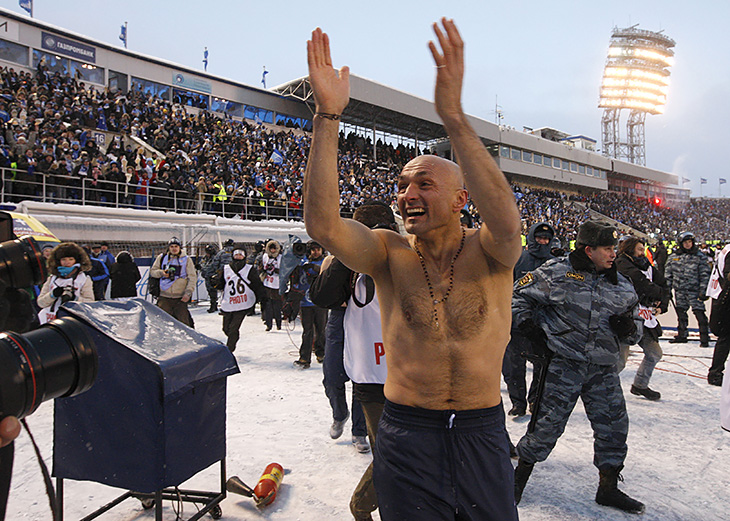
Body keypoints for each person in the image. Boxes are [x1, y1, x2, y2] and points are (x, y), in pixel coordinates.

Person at [304, 19, 521, 520]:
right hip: (406, 433)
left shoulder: (491, 251)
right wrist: (327, 115)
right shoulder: (387, 254)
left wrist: (454, 119)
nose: (407, 195)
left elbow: (508, 222)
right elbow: (322, 225)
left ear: (460, 199)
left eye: (424, 183)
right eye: (402, 184)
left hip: (479, 431)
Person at [512, 221, 644, 513]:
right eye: (607, 248)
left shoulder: (621, 284)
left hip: (603, 370)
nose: (613, 254)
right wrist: (527, 324)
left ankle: (608, 488)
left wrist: (627, 329)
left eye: (613, 248)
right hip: (563, 365)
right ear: (589, 250)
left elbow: (637, 330)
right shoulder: (556, 272)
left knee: (614, 427)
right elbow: (517, 295)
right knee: (545, 427)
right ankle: (516, 481)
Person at [503, 222, 556, 417]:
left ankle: (536, 400)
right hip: (518, 322)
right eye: (540, 238)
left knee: (542, 367)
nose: (543, 242)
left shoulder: (555, 263)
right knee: (514, 365)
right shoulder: (518, 260)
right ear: (532, 238)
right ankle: (518, 402)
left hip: (544, 324)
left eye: (546, 239)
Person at [615, 237, 670, 400]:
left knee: (654, 353)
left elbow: (664, 285)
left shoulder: (648, 266)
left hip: (645, 318)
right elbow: (640, 282)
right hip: (627, 318)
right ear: (630, 249)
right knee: (620, 361)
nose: (642, 252)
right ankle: (597, 386)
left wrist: (662, 304)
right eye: (639, 249)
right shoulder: (621, 263)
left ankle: (640, 385)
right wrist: (657, 293)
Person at [665, 231, 712, 346]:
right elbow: (668, 274)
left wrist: (703, 291)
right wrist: (667, 290)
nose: (687, 244)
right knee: (681, 314)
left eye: (689, 242)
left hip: (694, 291)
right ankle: (682, 335)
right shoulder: (674, 257)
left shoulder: (699, 256)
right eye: (685, 242)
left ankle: (704, 337)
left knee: (700, 314)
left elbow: (705, 275)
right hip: (679, 291)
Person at [218, 248, 265, 352]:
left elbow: (256, 284)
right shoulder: (226, 268)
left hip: (243, 302)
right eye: (236, 254)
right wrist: (215, 282)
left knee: (233, 328)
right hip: (229, 302)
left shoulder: (249, 269)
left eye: (241, 254)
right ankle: (233, 338)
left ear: (244, 256)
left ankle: (229, 350)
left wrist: (260, 298)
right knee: (226, 328)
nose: (238, 256)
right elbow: (221, 284)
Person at [37, 242, 94, 324]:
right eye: (63, 259)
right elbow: (41, 303)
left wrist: (75, 298)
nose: (67, 262)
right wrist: (52, 295)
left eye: (70, 259)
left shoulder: (83, 279)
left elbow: (90, 303)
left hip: (72, 319)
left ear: (76, 260)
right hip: (49, 319)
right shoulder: (52, 278)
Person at [293, 241, 327, 368]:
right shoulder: (302, 262)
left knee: (321, 330)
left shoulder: (325, 262)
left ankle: (321, 353)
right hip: (305, 303)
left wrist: (316, 269)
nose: (316, 252)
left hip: (321, 302)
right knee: (307, 331)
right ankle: (304, 358)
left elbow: (328, 275)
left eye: (318, 249)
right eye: (313, 250)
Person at [149, 237, 196, 327]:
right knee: (163, 324)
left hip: (180, 298)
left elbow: (192, 277)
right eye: (172, 246)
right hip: (164, 297)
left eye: (176, 246)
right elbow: (153, 271)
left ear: (180, 248)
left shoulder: (186, 260)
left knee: (184, 324)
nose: (174, 249)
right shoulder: (162, 258)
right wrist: (161, 273)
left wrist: (188, 292)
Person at [707, 242, 730, 386]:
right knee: (726, 337)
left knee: (725, 338)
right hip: (725, 297)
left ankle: (715, 372)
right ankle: (715, 372)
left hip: (720, 295)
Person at [261, 240, 283, 331]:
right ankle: (268, 324)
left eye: (274, 249)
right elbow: (261, 267)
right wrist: (265, 269)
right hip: (267, 283)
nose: (273, 251)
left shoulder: (281, 258)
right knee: (268, 305)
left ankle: (278, 323)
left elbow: (284, 271)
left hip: (277, 284)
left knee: (277, 305)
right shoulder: (265, 256)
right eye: (271, 249)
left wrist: (275, 270)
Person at [199, 244, 219, 313]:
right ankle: (214, 304)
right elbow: (202, 263)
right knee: (209, 291)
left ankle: (213, 305)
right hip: (207, 276)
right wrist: (199, 266)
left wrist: (202, 268)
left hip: (213, 276)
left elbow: (211, 267)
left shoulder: (215, 258)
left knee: (213, 291)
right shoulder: (205, 258)